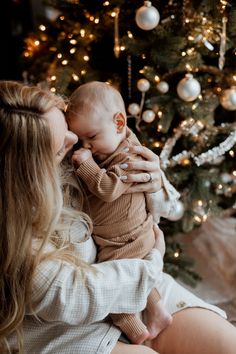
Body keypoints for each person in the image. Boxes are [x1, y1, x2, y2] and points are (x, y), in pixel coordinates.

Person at [1, 81, 236, 354]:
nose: (74, 140)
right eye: (58, 147)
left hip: (135, 277)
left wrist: (153, 180)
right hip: (63, 322)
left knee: (226, 344)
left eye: (65, 127)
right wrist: (152, 262)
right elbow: (75, 294)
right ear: (30, 171)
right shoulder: (15, 235)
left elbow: (161, 207)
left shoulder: (82, 146)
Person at [66, 81, 174, 344]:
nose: (86, 147)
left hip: (124, 238)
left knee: (114, 293)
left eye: (91, 138)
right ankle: (158, 311)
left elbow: (108, 189)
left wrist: (87, 165)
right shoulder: (112, 149)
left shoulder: (131, 156)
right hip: (127, 235)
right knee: (139, 274)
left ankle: (137, 333)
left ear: (118, 123)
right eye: (80, 140)